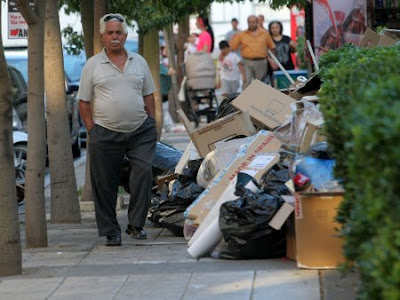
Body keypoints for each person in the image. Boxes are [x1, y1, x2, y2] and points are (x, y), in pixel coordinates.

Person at [78, 13, 157, 246]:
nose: (115, 37)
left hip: (140, 131)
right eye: (110, 33)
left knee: (143, 173)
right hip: (105, 131)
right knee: (105, 183)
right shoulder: (93, 65)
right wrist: (93, 130)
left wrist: (151, 123)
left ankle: (136, 224)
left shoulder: (139, 61)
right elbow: (84, 102)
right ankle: (111, 231)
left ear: (125, 36)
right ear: (103, 36)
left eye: (119, 33)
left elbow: (149, 94)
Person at [230, 15, 275, 89]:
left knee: (260, 84)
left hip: (261, 62)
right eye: (249, 22)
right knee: (246, 82)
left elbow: (272, 47)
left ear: (257, 22)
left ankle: (259, 100)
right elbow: (232, 47)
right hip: (247, 62)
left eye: (253, 22)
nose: (251, 24)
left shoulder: (265, 34)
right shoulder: (241, 34)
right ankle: (245, 100)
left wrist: (271, 60)